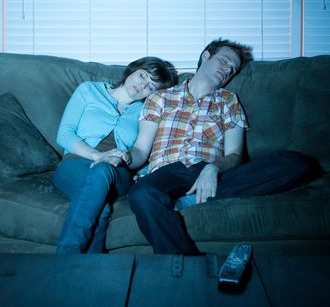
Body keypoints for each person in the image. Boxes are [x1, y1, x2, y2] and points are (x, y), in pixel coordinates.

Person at [106, 38, 320, 255]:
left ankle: (185, 200)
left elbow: (235, 155)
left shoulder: (229, 101)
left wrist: (213, 168)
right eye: (225, 61)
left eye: (233, 69)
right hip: (166, 173)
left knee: (298, 163)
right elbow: (141, 150)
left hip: (212, 174)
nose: (228, 70)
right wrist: (124, 156)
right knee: (141, 193)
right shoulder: (160, 98)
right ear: (205, 56)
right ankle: (189, 263)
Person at [53, 56, 178, 254]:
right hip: (74, 164)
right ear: (132, 70)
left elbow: (142, 151)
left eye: (151, 86)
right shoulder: (89, 90)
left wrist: (125, 157)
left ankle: (64, 260)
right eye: (142, 75)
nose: (142, 85)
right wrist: (97, 156)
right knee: (100, 209)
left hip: (117, 174)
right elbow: (64, 134)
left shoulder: (146, 111)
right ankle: (91, 273)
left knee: (104, 170)